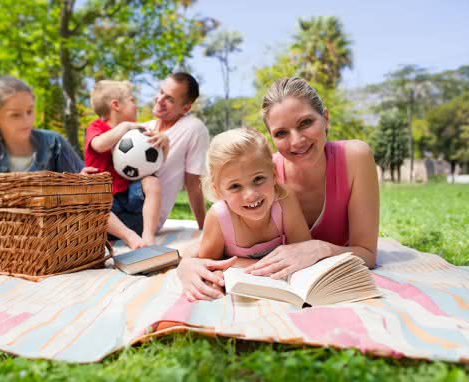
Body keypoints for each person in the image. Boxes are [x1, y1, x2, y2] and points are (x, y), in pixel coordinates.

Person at [177, 77, 379, 300]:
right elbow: (217, 234)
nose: (296, 141)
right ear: (272, 138)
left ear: (326, 118)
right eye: (281, 133)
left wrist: (319, 248)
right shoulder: (261, 175)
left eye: (305, 123)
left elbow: (367, 254)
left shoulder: (355, 158)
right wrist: (185, 266)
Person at [0, 75, 148, 250]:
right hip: (9, 240)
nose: (27, 120)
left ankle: (129, 234)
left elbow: (88, 194)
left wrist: (80, 182)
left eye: (30, 111)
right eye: (15, 115)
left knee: (89, 194)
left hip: (56, 235)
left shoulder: (53, 142)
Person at [187, 128, 311, 301]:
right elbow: (209, 266)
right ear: (219, 190)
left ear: (274, 174)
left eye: (258, 179)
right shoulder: (219, 217)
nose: (251, 195)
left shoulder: (284, 200)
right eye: (235, 186)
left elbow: (304, 250)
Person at [85, 80, 168, 247]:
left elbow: (156, 163)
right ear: (115, 105)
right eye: (132, 100)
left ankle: (148, 236)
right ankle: (129, 237)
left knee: (152, 181)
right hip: (106, 211)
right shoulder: (96, 127)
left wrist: (165, 143)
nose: (136, 106)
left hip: (131, 203)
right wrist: (124, 126)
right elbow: (99, 145)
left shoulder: (136, 134)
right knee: (91, 199)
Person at [141, 72, 209, 230]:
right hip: (118, 204)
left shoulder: (193, 129)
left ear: (185, 108)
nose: (160, 100)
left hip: (142, 218)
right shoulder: (142, 129)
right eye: (161, 92)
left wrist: (203, 227)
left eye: (169, 99)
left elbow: (193, 182)